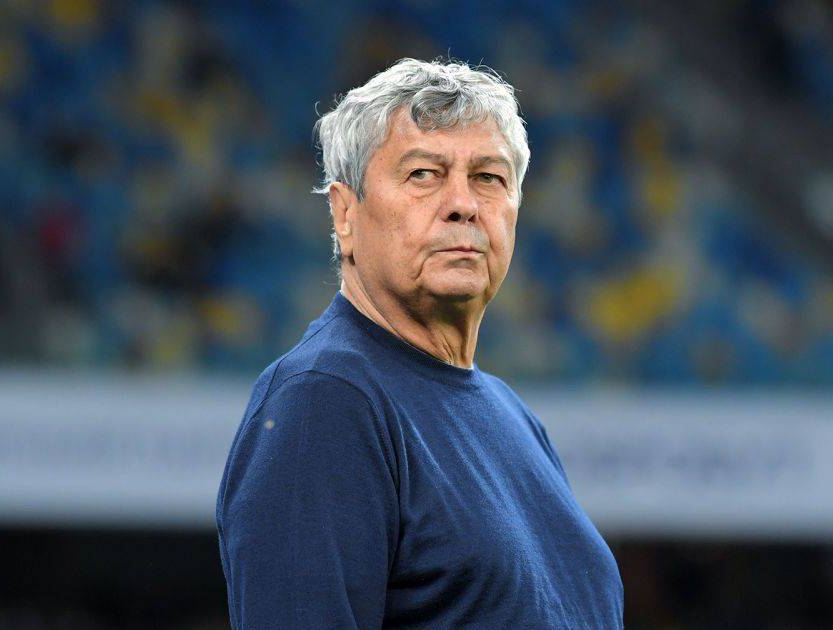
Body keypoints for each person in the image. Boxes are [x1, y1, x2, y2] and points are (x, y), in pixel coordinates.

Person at [216, 58, 624, 628]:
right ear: (344, 214)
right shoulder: (324, 402)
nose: (463, 204)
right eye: (424, 174)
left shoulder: (514, 416)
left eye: (489, 177)